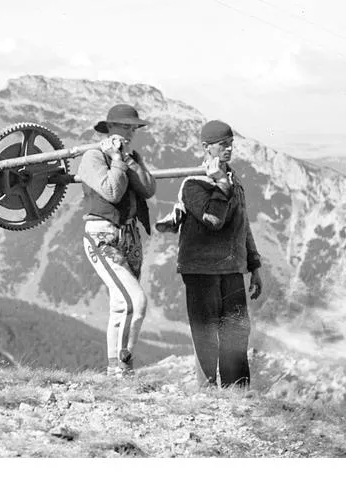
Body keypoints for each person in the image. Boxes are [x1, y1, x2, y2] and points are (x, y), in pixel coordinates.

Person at [167, 120, 263, 388]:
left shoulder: (233, 180)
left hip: (232, 269)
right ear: (206, 147)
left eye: (231, 144)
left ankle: (237, 392)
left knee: (236, 331)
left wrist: (254, 265)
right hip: (201, 272)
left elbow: (243, 225)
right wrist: (220, 183)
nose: (229, 149)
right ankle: (206, 393)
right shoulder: (194, 184)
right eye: (223, 145)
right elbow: (214, 219)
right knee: (206, 334)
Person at [80, 104, 157, 377]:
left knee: (119, 305)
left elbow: (147, 188)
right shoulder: (92, 157)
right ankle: (124, 370)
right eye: (124, 126)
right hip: (102, 234)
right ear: (109, 128)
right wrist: (116, 160)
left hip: (129, 235)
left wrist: (132, 161)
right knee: (134, 301)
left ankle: (116, 372)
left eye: (133, 127)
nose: (130, 132)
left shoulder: (130, 156)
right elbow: (111, 191)